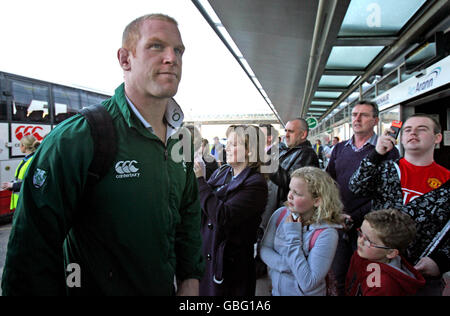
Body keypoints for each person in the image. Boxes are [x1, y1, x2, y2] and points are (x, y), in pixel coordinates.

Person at [1, 14, 204, 296]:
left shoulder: (180, 139)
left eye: (179, 50)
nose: (172, 57)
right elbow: (30, 255)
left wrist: (190, 279)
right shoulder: (78, 138)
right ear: (125, 59)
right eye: (156, 46)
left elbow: (188, 213)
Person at [349, 113, 450, 295]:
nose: (413, 133)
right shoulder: (386, 169)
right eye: (408, 130)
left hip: (419, 275)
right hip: (376, 265)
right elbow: (356, 186)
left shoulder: (447, 181)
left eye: (422, 129)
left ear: (437, 138)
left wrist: (440, 260)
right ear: (400, 137)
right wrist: (377, 154)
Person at [326, 100, 400, 296]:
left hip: (370, 230)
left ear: (375, 120)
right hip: (340, 222)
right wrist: (335, 213)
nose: (357, 119)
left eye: (364, 115)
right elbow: (329, 182)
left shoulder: (388, 151)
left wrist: (356, 218)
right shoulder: (340, 148)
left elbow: (387, 192)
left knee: (367, 279)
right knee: (338, 276)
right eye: (354, 114)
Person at [194, 124, 268, 296]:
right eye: (228, 142)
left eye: (234, 144)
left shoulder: (255, 184)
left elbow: (222, 216)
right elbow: (203, 203)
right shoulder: (224, 171)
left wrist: (199, 181)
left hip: (230, 266)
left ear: (250, 151)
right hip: (209, 255)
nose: (227, 147)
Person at [260, 167, 343, 296]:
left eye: (297, 193)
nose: (290, 196)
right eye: (290, 189)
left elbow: (308, 282)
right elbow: (264, 249)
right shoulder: (280, 215)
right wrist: (288, 266)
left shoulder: (327, 233)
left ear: (317, 201)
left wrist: (293, 235)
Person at [345, 209, 426, 296]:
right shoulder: (363, 253)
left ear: (391, 253)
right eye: (360, 233)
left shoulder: (382, 286)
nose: (360, 241)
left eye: (369, 241)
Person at [1, 135, 40, 211]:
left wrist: (13, 185)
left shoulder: (32, 161)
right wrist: (11, 184)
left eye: (20, 144)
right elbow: (20, 179)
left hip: (27, 203)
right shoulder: (26, 159)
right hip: (22, 203)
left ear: (23, 146)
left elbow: (33, 183)